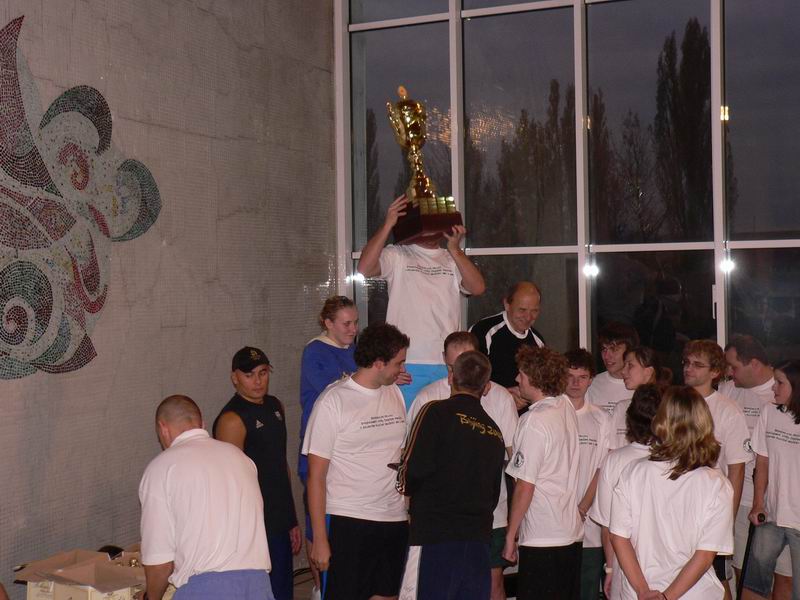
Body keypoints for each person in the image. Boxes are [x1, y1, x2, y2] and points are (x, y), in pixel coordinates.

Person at [407, 331, 518, 600]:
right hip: (475, 527)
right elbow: (494, 487)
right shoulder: (491, 429)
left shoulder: (435, 411)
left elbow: (412, 470)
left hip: (440, 530)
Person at [302, 323, 410, 600]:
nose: (402, 369)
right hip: (349, 518)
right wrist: (320, 540)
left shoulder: (394, 393)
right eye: (398, 363)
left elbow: (399, 455)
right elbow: (316, 476)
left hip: (393, 518)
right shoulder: (333, 402)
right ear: (378, 363)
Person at [139, 395, 273, 600]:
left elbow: (160, 563)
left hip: (205, 589)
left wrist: (151, 597)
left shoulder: (161, 468)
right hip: (259, 585)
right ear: (202, 424)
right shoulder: (242, 459)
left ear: (163, 428)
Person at [357, 195, 486, 406]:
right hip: (407, 362)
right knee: (407, 422)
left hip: (447, 362)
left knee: (443, 422)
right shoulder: (398, 254)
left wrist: (455, 249)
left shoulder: (451, 258)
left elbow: (477, 287)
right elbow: (364, 268)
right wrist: (388, 224)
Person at [609, 386, 734, 599]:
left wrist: (644, 591)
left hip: (639, 592)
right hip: (693, 594)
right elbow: (704, 556)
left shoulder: (633, 472)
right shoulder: (717, 484)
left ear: (661, 421)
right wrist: (666, 597)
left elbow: (619, 537)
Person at [213, 347, 300, 600]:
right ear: (235, 378)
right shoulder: (232, 419)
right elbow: (229, 482)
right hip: (253, 523)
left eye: (263, 373)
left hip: (278, 517)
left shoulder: (275, 406)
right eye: (249, 375)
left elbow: (280, 465)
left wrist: (291, 518)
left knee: (282, 590)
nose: (258, 381)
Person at [503, 346, 582, 600]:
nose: (517, 379)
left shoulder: (533, 422)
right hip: (570, 535)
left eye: (521, 374)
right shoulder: (565, 405)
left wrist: (511, 535)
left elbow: (525, 485)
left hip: (542, 537)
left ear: (535, 379)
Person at [298, 296, 359, 594]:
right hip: (321, 448)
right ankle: (319, 587)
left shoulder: (355, 350)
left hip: (347, 448)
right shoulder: (315, 351)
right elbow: (338, 392)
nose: (353, 329)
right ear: (328, 323)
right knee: (318, 519)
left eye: (355, 322)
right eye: (346, 324)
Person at [720, 335, 790, 592]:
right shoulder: (728, 390)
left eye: (734, 366)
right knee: (744, 572)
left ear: (755, 364)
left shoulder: (784, 393)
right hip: (739, 499)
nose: (729, 373)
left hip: (778, 504)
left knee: (782, 576)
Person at [683, 339, 750, 598]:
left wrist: (727, 519)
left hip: (710, 509)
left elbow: (737, 470)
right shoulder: (675, 402)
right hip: (677, 506)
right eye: (687, 363)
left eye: (697, 365)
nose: (689, 368)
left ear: (715, 372)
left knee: (717, 580)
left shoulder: (728, 410)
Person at [589, 384, 663, 600]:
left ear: (629, 421)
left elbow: (608, 527)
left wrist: (610, 569)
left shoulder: (614, 460)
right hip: (671, 571)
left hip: (628, 573)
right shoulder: (679, 461)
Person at [742, 360, 800, 600]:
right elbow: (762, 462)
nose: (774, 387)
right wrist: (758, 503)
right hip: (771, 513)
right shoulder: (769, 411)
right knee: (754, 583)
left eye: (780, 383)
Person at [564, 349, 613, 600]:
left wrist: (583, 506)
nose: (575, 383)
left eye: (582, 377)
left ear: (591, 379)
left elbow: (603, 469)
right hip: (554, 523)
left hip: (590, 526)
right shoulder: (548, 414)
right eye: (569, 376)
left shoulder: (601, 418)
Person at [469, 282, 545, 412]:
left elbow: (543, 386)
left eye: (534, 311)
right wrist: (504, 395)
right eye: (522, 310)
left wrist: (527, 396)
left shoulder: (538, 342)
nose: (528, 317)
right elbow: (468, 377)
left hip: (523, 415)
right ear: (507, 305)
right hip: (486, 411)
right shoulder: (483, 331)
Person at [610, 346, 671, 449]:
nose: (623, 371)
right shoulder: (621, 407)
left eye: (630, 365)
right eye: (624, 365)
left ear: (648, 371)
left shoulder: (668, 407)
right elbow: (612, 448)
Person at [586, 322, 640, 416]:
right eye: (604, 349)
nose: (606, 356)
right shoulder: (591, 384)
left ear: (629, 351)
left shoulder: (641, 386)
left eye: (614, 349)